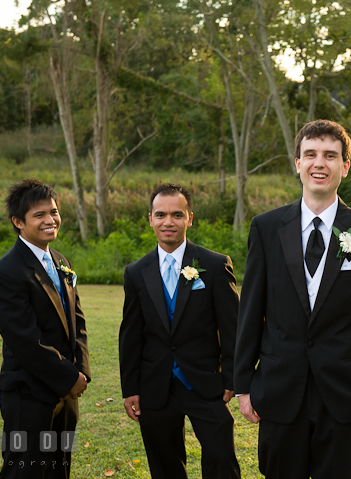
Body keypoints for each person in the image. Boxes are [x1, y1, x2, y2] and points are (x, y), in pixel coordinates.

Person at [234, 119, 351, 479]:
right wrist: (243, 384)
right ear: (297, 163)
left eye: (330, 155)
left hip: (342, 394)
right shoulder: (266, 228)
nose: (319, 163)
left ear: (345, 166)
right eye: (310, 154)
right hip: (279, 389)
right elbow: (251, 310)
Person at [119, 183, 240, 479]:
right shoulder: (136, 272)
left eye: (177, 214)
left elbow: (233, 327)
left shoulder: (214, 264)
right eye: (160, 215)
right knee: (165, 466)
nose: (168, 222)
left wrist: (232, 377)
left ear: (190, 218)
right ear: (150, 219)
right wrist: (131, 388)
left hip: (205, 383)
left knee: (221, 459)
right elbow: (131, 334)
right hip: (155, 386)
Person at [0, 178, 90, 479]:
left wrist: (80, 371)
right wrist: (69, 377)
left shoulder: (60, 261)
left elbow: (77, 322)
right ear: (18, 222)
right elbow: (25, 341)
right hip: (29, 395)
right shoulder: (7, 273)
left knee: (59, 469)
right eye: (39, 215)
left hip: (67, 393)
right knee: (25, 470)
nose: (50, 220)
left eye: (54, 212)